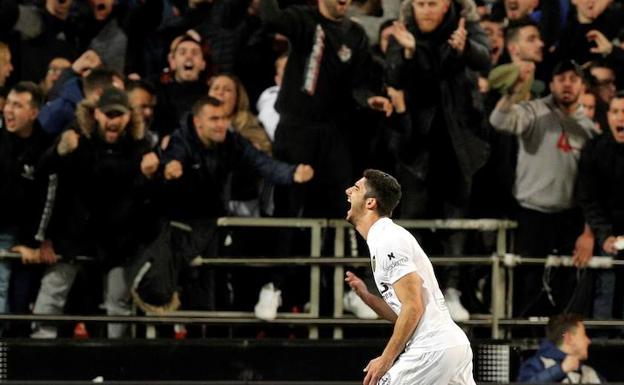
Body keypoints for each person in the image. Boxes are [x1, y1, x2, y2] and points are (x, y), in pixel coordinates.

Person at [344, 169, 475, 385]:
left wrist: (386, 359)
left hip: (432, 349)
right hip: (450, 347)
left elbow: (413, 307)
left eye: (356, 189)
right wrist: (367, 296)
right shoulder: (384, 238)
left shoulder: (387, 240)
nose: (348, 191)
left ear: (370, 203)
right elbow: (403, 314)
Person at [489, 59, 595, 317]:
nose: (567, 84)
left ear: (582, 86)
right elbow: (499, 121)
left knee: (566, 287)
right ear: (551, 84)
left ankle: (560, 346)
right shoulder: (534, 111)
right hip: (531, 214)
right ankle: (521, 346)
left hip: (569, 218)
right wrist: (513, 92)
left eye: (573, 79)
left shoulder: (589, 129)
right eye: (561, 78)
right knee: (527, 284)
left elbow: (593, 188)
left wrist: (587, 232)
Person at [577, 92, 624, 319]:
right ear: (608, 115)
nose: (620, 118)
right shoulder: (594, 149)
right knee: (604, 293)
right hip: (604, 236)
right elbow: (588, 198)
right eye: (615, 112)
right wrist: (604, 234)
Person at [517, 313, 603, 383]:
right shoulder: (538, 365)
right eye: (584, 335)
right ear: (568, 338)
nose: (588, 341)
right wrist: (560, 370)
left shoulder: (589, 372)